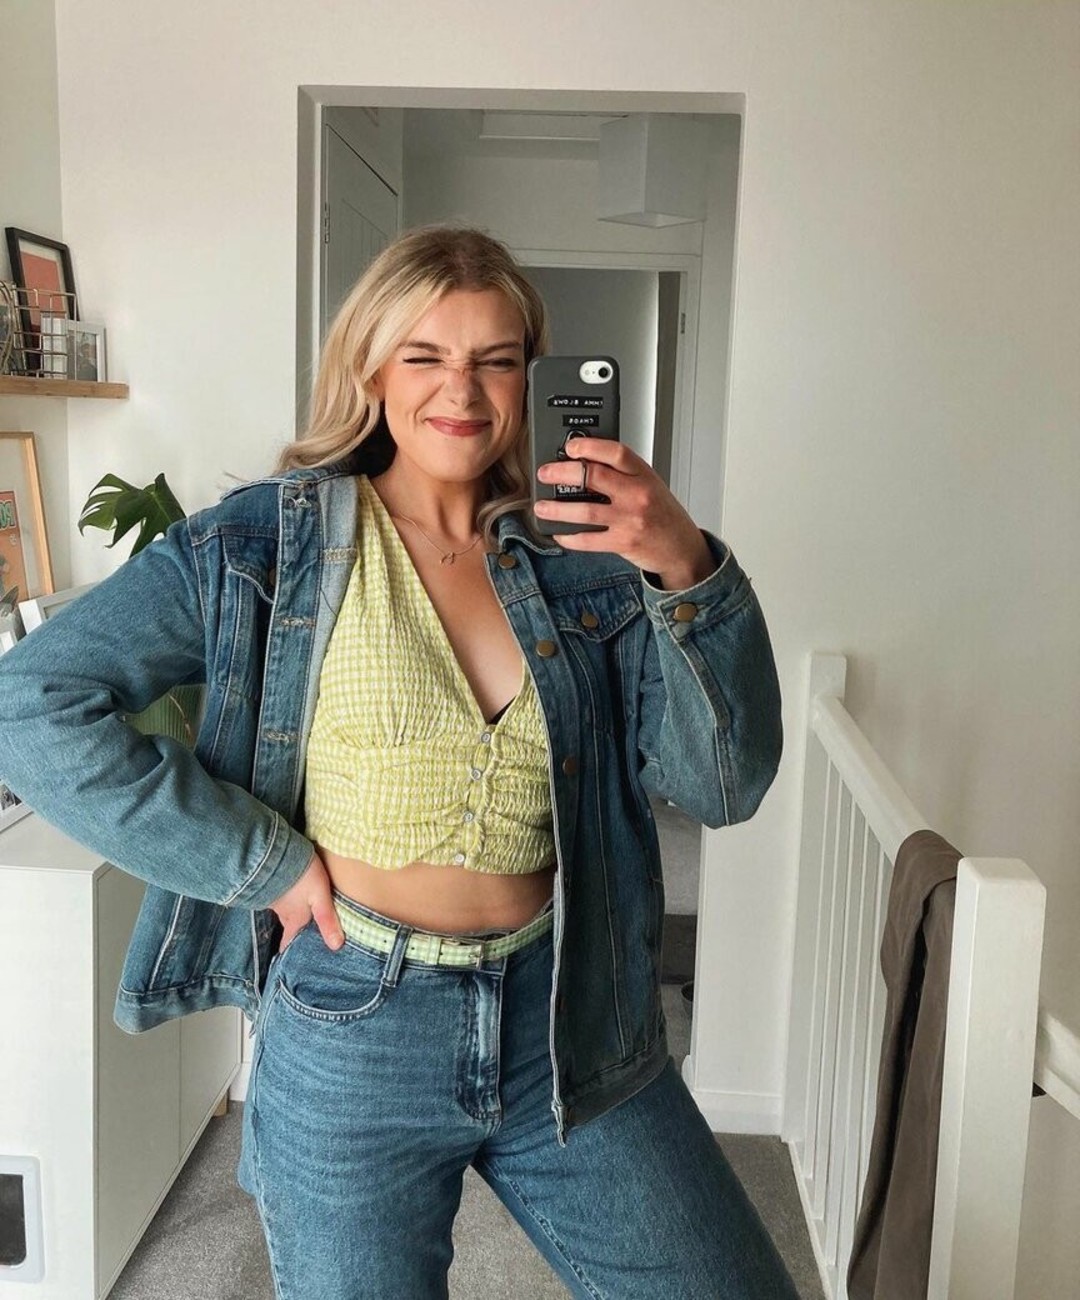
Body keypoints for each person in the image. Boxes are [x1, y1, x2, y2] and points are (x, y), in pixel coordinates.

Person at [0, 225, 795, 1299]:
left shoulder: (589, 568)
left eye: (494, 359)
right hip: (353, 1022)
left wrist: (683, 567)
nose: (459, 389)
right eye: (425, 355)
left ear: (529, 377)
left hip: (566, 1016)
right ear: (372, 367)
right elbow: (31, 701)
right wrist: (261, 862)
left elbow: (722, 787)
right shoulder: (266, 546)